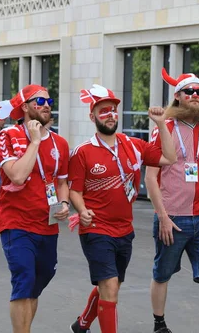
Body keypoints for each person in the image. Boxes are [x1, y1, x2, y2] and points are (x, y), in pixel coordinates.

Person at [68, 84, 177, 333]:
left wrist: (161, 124)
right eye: (104, 111)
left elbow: (169, 158)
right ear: (92, 116)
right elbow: (75, 190)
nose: (110, 115)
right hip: (95, 228)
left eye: (114, 110)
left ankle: (83, 322)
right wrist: (81, 210)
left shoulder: (134, 145)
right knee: (111, 286)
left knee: (110, 286)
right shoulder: (82, 152)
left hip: (124, 230)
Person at [145, 69, 199, 333]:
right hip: (173, 218)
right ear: (177, 96)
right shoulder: (164, 128)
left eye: (198, 92)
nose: (195, 96)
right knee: (162, 274)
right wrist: (162, 216)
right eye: (189, 92)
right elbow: (150, 177)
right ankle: (159, 324)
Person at [0, 84, 70, 333]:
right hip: (16, 223)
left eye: (49, 100)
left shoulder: (60, 143)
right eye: (39, 101)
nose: (47, 105)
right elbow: (17, 175)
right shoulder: (9, 136)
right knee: (24, 280)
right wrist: (35, 141)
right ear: (25, 107)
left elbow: (61, 182)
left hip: (47, 224)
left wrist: (65, 203)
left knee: (38, 282)